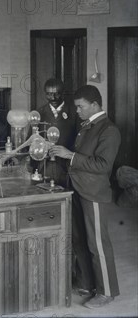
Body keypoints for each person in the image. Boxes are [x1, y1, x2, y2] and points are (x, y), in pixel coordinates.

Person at [50, 85, 120, 309]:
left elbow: (102, 165)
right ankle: (86, 284)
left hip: (94, 193)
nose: (77, 110)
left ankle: (107, 292)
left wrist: (70, 155)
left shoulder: (109, 130)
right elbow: (78, 158)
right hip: (78, 189)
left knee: (98, 244)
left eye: (80, 107)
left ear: (95, 105)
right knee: (80, 240)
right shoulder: (86, 126)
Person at [35, 78, 79, 185]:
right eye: (49, 94)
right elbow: (32, 139)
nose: (53, 98)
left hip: (68, 166)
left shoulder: (75, 112)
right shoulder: (39, 113)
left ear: (63, 93)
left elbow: (80, 138)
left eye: (57, 94)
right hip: (45, 165)